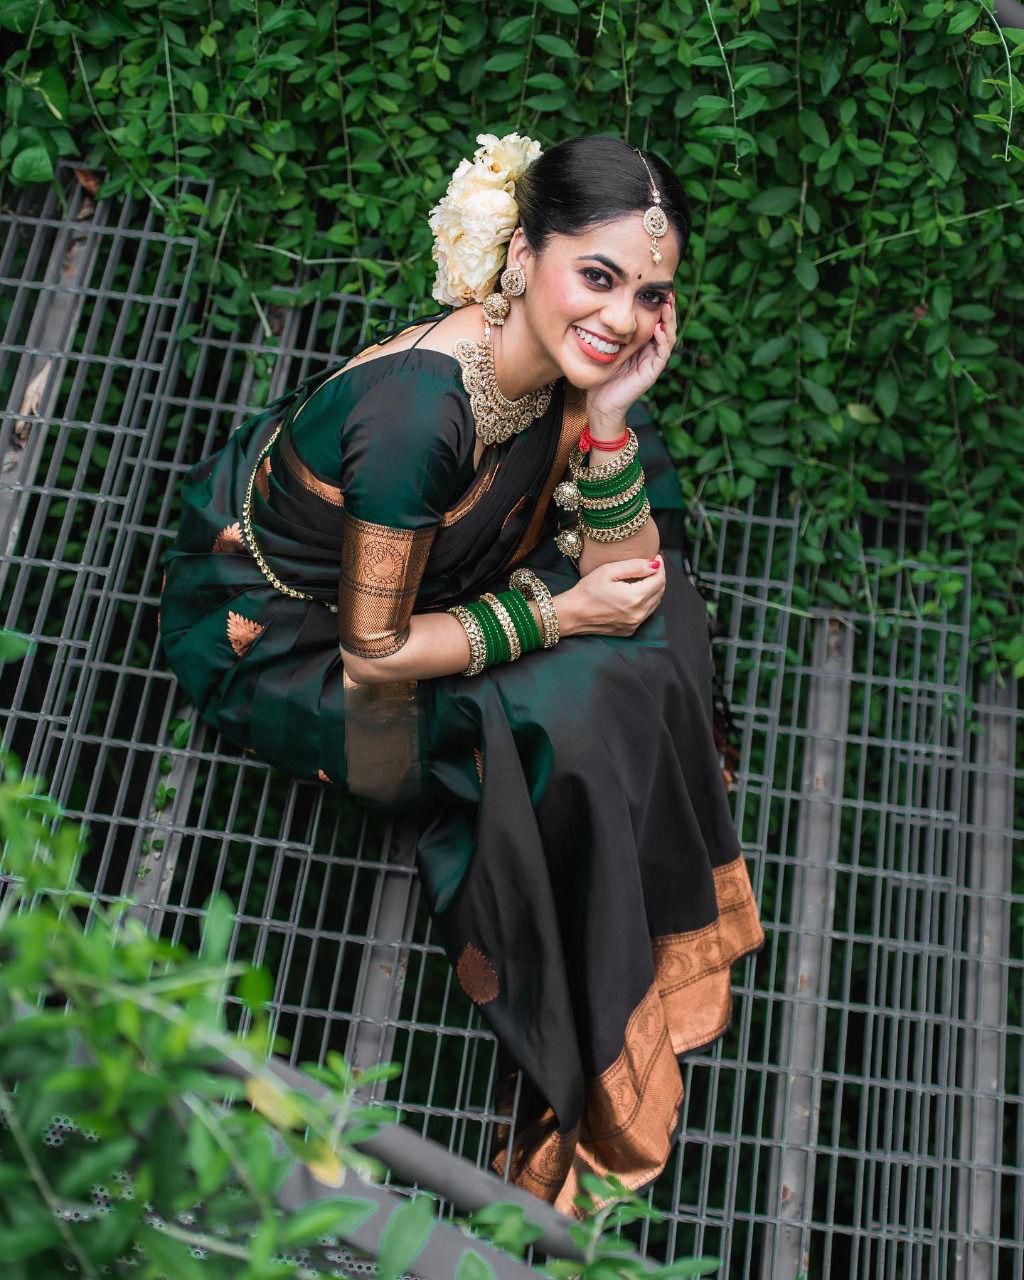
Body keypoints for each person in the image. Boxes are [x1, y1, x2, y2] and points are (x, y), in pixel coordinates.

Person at [158, 132, 765, 1218]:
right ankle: (607, 935)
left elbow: (630, 579)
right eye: (597, 276)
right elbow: (375, 651)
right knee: (572, 709)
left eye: (649, 294)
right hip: (299, 648)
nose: (623, 318)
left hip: (432, 592)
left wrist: (610, 421)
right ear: (521, 254)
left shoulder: (559, 373)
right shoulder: (420, 416)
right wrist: (557, 613)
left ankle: (637, 844)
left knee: (656, 588)